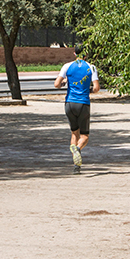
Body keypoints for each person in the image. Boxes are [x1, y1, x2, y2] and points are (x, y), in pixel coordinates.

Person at [54, 44, 100, 174]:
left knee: (75, 133)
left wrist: (64, 83)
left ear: (74, 54)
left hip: (69, 104)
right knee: (84, 136)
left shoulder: (67, 66)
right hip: (83, 103)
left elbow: (56, 84)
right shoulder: (91, 67)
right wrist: (88, 90)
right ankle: (78, 149)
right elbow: (96, 88)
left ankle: (76, 166)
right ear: (86, 55)